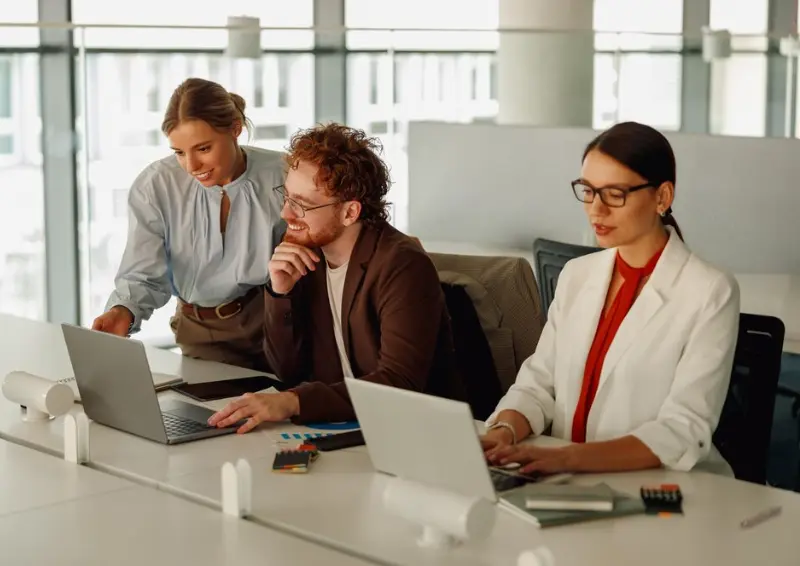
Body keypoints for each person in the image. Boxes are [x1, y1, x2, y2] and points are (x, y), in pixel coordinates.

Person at [482, 121, 740, 476]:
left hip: (660, 489)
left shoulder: (710, 290)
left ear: (662, 197)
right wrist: (504, 431)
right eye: (588, 190)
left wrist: (568, 459)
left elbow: (683, 429)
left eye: (615, 194)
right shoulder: (577, 275)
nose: (596, 210)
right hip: (564, 481)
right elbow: (539, 384)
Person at [208, 123, 465, 432]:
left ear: (349, 213)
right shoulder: (305, 253)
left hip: (414, 432)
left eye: (302, 204)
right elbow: (289, 371)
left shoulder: (401, 264)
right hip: (343, 427)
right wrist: (280, 294)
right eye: (287, 197)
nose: (286, 215)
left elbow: (399, 383)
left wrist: (293, 402)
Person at [91, 78, 285, 371]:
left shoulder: (285, 175)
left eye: (203, 148)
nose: (191, 166)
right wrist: (123, 311)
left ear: (235, 129)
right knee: (208, 414)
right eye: (179, 152)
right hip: (198, 329)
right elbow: (144, 272)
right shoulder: (155, 185)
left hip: (275, 323)